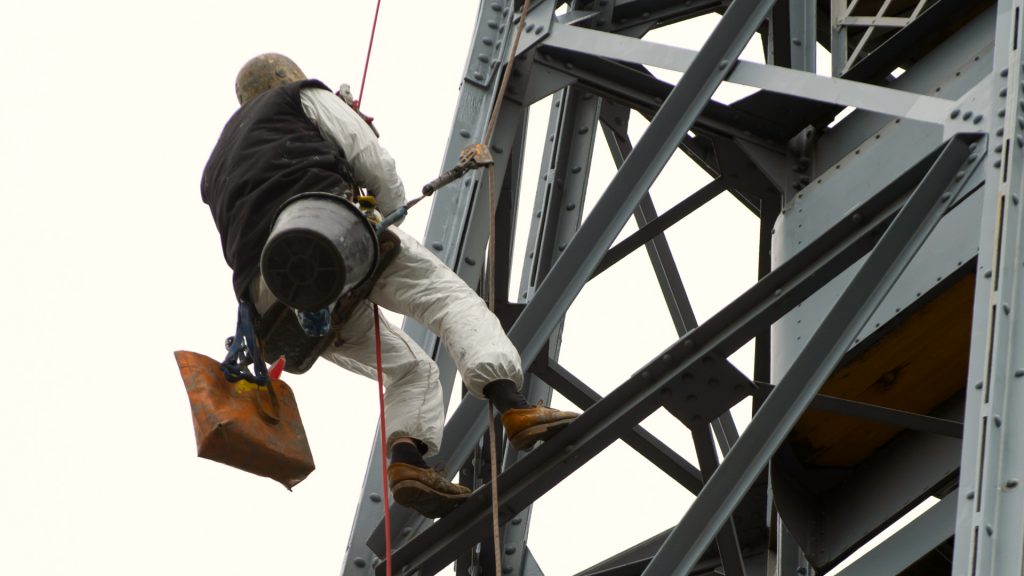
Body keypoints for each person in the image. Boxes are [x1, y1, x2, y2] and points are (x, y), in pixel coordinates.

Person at [200, 53, 577, 518]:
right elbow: (368, 157)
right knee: (450, 301)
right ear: (287, 77)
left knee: (410, 369)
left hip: (270, 295)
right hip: (329, 233)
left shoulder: (214, 164)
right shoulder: (302, 97)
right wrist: (392, 213)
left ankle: (408, 464)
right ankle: (515, 407)